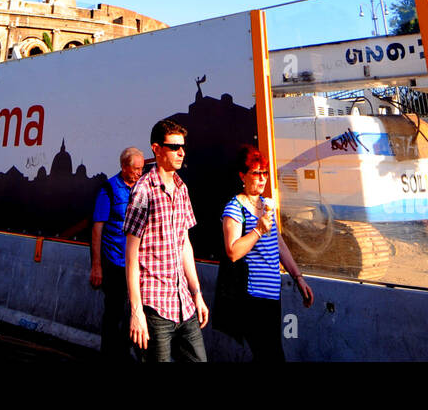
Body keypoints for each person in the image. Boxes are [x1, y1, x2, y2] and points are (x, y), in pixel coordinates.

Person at [123, 119, 208, 362]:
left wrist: (197, 293)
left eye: (182, 147)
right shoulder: (143, 190)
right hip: (155, 307)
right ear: (157, 148)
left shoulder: (182, 188)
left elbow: (185, 245)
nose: (181, 152)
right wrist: (136, 311)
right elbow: (131, 256)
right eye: (174, 147)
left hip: (184, 303)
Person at [220, 147, 313, 362]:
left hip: (271, 294)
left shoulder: (266, 204)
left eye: (265, 173)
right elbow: (232, 251)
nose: (262, 179)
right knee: (271, 355)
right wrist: (257, 230)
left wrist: (298, 278)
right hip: (252, 296)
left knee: (267, 354)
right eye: (256, 173)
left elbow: (278, 243)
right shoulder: (235, 208)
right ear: (242, 175)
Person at [90, 146, 145, 361]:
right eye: (135, 169)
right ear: (124, 167)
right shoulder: (109, 189)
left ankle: (125, 353)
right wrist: (96, 266)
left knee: (132, 311)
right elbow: (97, 229)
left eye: (141, 169)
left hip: (136, 263)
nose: (139, 173)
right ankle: (110, 354)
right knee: (115, 312)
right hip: (114, 262)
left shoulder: (142, 189)